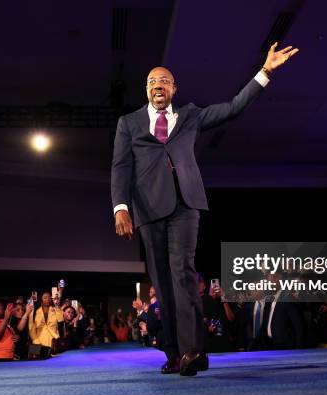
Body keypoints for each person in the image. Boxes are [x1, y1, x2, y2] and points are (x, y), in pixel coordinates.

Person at [111, 42, 299, 375]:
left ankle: (193, 353)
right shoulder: (129, 123)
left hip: (186, 204)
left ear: (174, 89)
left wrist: (265, 71)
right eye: (153, 81)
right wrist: (120, 207)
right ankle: (172, 353)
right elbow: (121, 167)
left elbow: (233, 107)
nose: (159, 85)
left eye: (165, 81)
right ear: (146, 88)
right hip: (147, 210)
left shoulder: (191, 116)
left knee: (183, 273)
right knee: (163, 283)